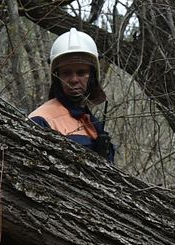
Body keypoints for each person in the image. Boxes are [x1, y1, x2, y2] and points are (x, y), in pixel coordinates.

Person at [29, 29, 116, 163]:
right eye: (66, 73)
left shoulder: (91, 122)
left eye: (81, 73)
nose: (74, 79)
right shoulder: (41, 120)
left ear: (92, 77)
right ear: (57, 77)